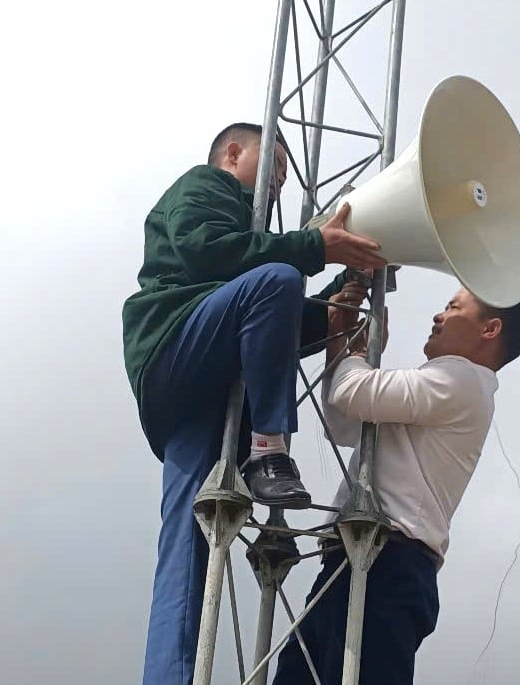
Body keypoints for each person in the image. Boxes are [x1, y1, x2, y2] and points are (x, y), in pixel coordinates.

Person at [121, 122, 386, 685]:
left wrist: (341, 300)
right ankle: (270, 449)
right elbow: (209, 255)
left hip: (198, 389)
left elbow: (269, 319)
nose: (273, 190)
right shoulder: (205, 187)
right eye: (272, 173)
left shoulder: (251, 239)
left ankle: (166, 675)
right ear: (233, 153)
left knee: (187, 541)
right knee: (279, 277)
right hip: (175, 344)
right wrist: (314, 247)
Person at [272, 285, 520, 685]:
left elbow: (351, 392)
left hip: (385, 561)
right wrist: (342, 344)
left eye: (453, 307)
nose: (439, 316)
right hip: (364, 557)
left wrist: (354, 350)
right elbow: (345, 422)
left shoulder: (464, 379)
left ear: (490, 329)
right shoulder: (447, 387)